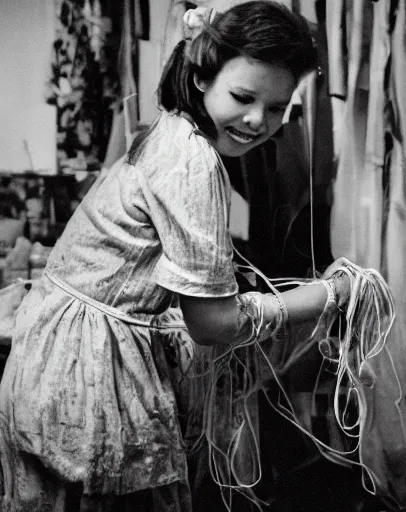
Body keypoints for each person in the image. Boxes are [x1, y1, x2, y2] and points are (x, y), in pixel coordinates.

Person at [0, 3, 357, 510]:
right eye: (243, 97)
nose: (258, 120)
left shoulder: (172, 129)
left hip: (53, 357)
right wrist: (328, 295)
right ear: (202, 78)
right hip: (85, 371)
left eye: (277, 108)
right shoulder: (194, 162)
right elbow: (213, 323)